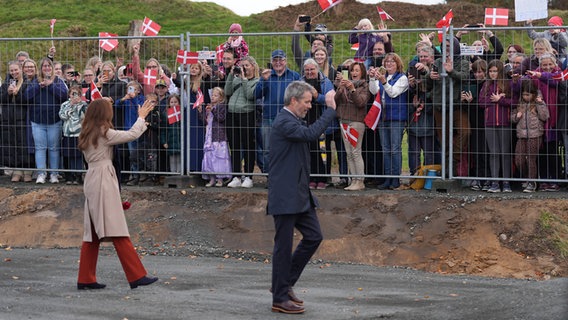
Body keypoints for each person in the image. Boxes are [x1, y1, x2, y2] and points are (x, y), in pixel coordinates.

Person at [267, 81, 336, 314]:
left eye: (310, 101)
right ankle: (279, 297)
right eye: (306, 102)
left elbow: (308, 130)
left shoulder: (292, 119)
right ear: (293, 100)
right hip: (286, 194)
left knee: (314, 236)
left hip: (298, 192)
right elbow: (310, 134)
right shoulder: (284, 121)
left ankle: (284, 285)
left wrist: (320, 99)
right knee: (283, 247)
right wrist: (330, 109)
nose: (308, 106)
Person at [77, 98, 158, 290]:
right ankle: (136, 275)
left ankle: (85, 278)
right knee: (117, 228)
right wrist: (141, 117)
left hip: (92, 177)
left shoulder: (87, 132)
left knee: (93, 233)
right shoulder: (103, 132)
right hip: (103, 178)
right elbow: (131, 135)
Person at [24, 57, 68, 184]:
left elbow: (64, 96)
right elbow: (27, 96)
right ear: (41, 68)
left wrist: (50, 86)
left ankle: (54, 174)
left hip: (54, 120)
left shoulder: (58, 81)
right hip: (37, 121)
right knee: (40, 148)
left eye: (49, 66)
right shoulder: (34, 81)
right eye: (44, 66)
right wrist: (39, 86)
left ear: (52, 68)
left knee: (54, 148)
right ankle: (41, 174)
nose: (47, 68)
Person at [255, 49, 300, 173]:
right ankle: (271, 177)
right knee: (268, 149)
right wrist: (263, 81)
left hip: (289, 118)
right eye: (275, 60)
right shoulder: (266, 76)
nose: (278, 62)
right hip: (269, 117)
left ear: (285, 61)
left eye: (281, 59)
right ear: (271, 62)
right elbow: (257, 95)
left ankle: (288, 176)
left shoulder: (294, 76)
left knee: (289, 148)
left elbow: (301, 95)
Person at [369, 53, 408, 189]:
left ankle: (395, 179)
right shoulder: (383, 77)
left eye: (392, 62)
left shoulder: (402, 78)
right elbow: (374, 91)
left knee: (395, 149)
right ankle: (387, 178)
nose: (389, 64)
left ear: (398, 64)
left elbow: (393, 93)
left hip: (396, 118)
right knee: (385, 149)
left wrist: (383, 82)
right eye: (387, 62)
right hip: (382, 117)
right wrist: (373, 78)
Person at [525, 53, 562, 191]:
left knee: (552, 151)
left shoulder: (559, 74)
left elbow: (554, 81)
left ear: (554, 64)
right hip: (538, 119)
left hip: (554, 119)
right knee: (541, 152)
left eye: (549, 64)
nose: (547, 67)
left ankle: (555, 179)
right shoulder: (535, 75)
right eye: (544, 65)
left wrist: (540, 75)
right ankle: (544, 180)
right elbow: (526, 86)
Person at [478, 59, 514, 193]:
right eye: (491, 71)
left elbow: (514, 101)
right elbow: (481, 102)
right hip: (490, 123)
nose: (493, 74)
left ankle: (506, 182)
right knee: (493, 153)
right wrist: (495, 99)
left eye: (496, 71)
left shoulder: (508, 84)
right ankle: (494, 182)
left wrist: (502, 100)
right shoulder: (486, 85)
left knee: (505, 153)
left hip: (505, 123)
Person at [224, 56, 260, 188]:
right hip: (232, 114)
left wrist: (244, 79)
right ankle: (236, 175)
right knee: (234, 146)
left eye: (246, 65)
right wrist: (231, 75)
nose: (244, 68)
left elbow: (249, 95)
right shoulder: (237, 78)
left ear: (253, 66)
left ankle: (249, 176)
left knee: (248, 145)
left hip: (246, 114)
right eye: (242, 65)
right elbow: (227, 91)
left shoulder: (256, 81)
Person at [334, 61, 370, 191]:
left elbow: (361, 102)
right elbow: (336, 100)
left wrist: (352, 89)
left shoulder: (364, 86)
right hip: (344, 120)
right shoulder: (344, 84)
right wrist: (340, 87)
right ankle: (353, 180)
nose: (354, 73)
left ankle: (360, 180)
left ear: (362, 73)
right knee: (348, 153)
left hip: (356, 122)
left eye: (356, 71)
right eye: (352, 71)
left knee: (355, 151)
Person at [301, 58, 335, 189]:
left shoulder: (325, 82)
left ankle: (322, 178)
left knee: (322, 151)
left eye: (312, 69)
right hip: (305, 121)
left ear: (317, 69)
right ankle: (311, 177)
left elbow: (330, 102)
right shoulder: (301, 82)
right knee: (308, 151)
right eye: (307, 70)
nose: (310, 72)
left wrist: (317, 96)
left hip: (320, 121)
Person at [512, 80, 549, 193]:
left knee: (531, 159)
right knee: (519, 160)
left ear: (533, 94)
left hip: (535, 135)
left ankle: (532, 182)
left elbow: (545, 116)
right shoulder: (519, 103)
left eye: (528, 94)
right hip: (521, 135)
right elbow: (512, 117)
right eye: (523, 94)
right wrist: (516, 117)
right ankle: (526, 177)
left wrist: (540, 103)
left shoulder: (538, 102)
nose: (525, 97)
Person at [0, 60, 34, 182]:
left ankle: (28, 171)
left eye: (16, 70)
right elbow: (2, 100)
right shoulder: (5, 84)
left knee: (25, 145)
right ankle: (17, 171)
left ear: (21, 70)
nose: (14, 72)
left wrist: (17, 94)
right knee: (14, 145)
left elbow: (27, 100)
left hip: (24, 119)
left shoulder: (27, 83)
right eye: (11, 70)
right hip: (10, 120)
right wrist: (8, 94)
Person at [198, 87, 231, 187]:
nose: (213, 97)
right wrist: (201, 112)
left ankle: (220, 178)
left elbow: (221, 118)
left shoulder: (222, 107)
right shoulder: (210, 107)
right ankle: (212, 178)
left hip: (219, 137)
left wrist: (213, 110)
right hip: (209, 136)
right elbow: (205, 121)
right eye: (212, 95)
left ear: (221, 98)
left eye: (215, 95)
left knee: (218, 157)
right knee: (210, 156)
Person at [114, 80, 145, 185]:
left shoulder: (141, 99)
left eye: (133, 89)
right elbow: (117, 105)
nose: (131, 91)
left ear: (139, 91)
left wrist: (134, 98)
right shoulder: (126, 100)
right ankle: (133, 174)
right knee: (131, 154)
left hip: (138, 128)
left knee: (136, 154)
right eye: (129, 89)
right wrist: (124, 98)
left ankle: (138, 175)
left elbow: (140, 109)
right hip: (128, 129)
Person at [59, 85, 87, 185]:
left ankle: (78, 175)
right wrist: (71, 105)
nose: (74, 96)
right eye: (72, 94)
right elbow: (63, 116)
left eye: (77, 94)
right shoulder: (64, 104)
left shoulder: (83, 105)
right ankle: (69, 176)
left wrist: (78, 106)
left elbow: (83, 117)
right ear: (69, 94)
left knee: (78, 156)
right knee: (68, 155)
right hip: (67, 134)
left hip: (79, 134)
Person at [137, 93, 161, 186]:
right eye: (148, 101)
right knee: (139, 156)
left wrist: (150, 124)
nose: (151, 104)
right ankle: (144, 174)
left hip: (153, 139)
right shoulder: (143, 112)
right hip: (143, 138)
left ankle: (153, 176)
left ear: (157, 103)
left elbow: (159, 126)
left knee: (152, 158)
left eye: (153, 102)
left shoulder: (157, 113)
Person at [160, 94, 182, 173]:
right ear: (169, 103)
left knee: (180, 158)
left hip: (180, 140)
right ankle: (173, 174)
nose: (173, 104)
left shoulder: (182, 113)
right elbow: (163, 130)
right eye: (171, 102)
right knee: (172, 159)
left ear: (179, 103)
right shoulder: (165, 114)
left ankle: (179, 173)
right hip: (170, 140)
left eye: (175, 102)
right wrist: (164, 141)